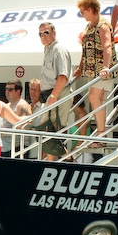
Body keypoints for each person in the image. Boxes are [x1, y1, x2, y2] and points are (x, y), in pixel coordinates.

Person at [74, 0, 117, 143]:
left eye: (83, 11)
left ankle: (101, 133)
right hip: (92, 70)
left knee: (94, 97)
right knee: (96, 98)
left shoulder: (102, 25)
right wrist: (80, 68)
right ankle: (100, 133)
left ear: (91, 9)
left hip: (101, 70)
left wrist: (105, 67)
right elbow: (86, 50)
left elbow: (107, 46)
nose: (82, 14)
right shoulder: (89, 26)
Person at [37, 22, 73, 161]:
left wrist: (53, 96)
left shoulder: (58, 50)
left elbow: (62, 76)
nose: (43, 36)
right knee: (48, 132)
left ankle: (68, 159)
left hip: (57, 94)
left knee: (48, 131)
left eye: (46, 32)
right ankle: (56, 161)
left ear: (54, 33)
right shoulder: (48, 50)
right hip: (50, 95)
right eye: (40, 34)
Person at [1, 79, 32, 158]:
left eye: (10, 90)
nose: (7, 92)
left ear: (18, 92)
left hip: (17, 149)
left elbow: (24, 127)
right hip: (5, 148)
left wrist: (2, 132)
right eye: (6, 89)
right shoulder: (7, 105)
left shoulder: (22, 105)